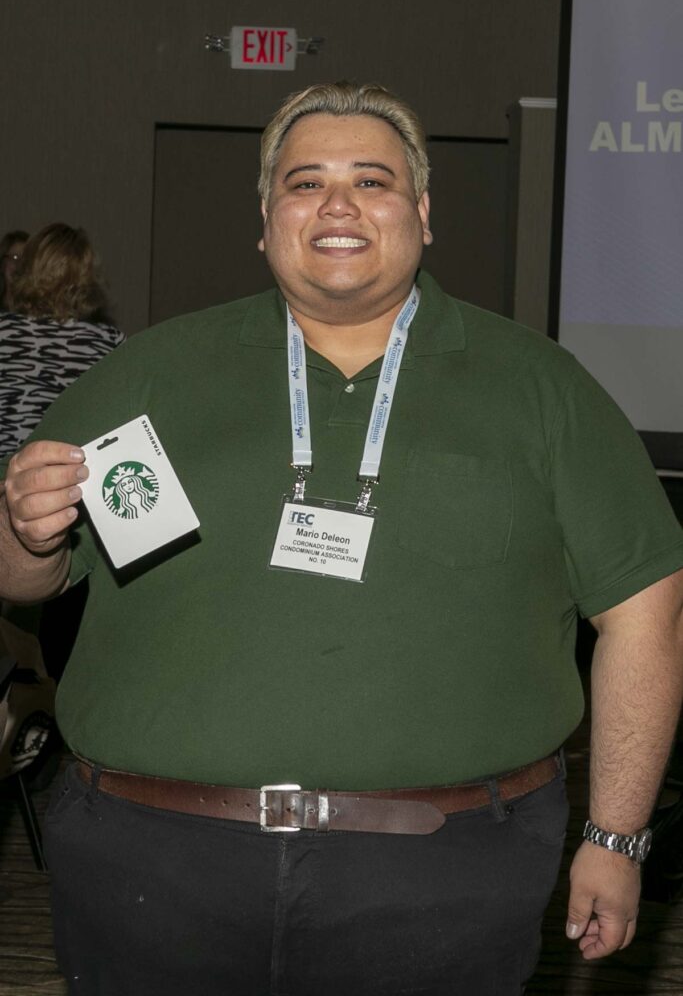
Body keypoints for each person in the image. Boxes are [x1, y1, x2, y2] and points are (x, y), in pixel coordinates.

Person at [0, 82, 682, 996]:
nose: (336, 205)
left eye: (371, 180)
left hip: (442, 878)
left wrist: (615, 835)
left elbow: (645, 615)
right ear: (265, 220)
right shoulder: (147, 374)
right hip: (152, 867)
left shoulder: (542, 389)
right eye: (304, 182)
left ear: (422, 214)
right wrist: (27, 529)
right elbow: (24, 580)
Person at [0, 222, 125, 459]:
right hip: (69, 471)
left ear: (27, 269)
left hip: (7, 471)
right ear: (87, 278)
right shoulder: (109, 344)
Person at [0, 229, 29, 311]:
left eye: (25, 259)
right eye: (14, 257)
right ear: (2, 263)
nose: (19, 264)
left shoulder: (38, 311)